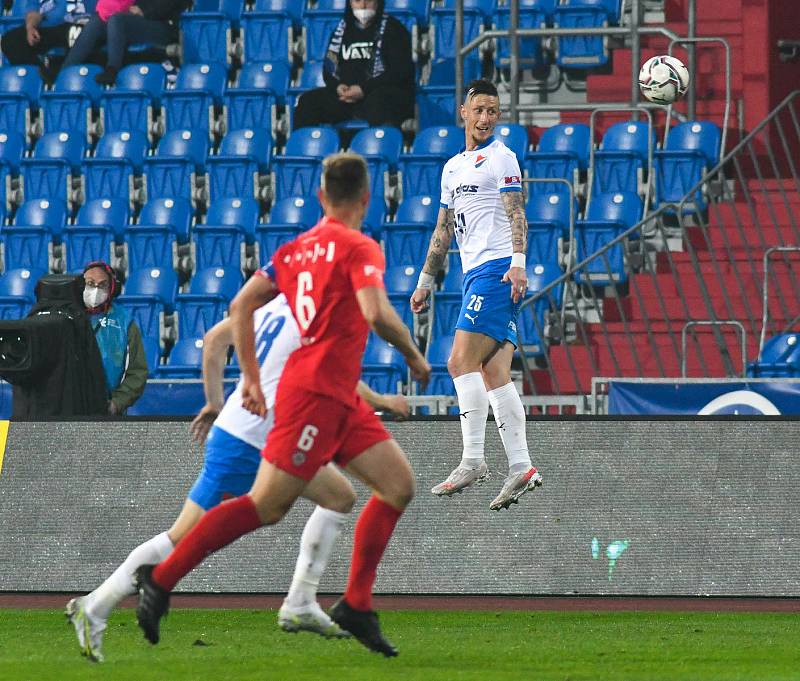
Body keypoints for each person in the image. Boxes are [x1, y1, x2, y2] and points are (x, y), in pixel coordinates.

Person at [134, 152, 430, 657]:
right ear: (366, 198)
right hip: (312, 397)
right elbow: (376, 312)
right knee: (265, 506)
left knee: (397, 485)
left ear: (321, 197)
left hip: (339, 397)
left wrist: (248, 375)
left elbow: (240, 305)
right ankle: (160, 579)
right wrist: (414, 357)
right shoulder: (359, 246)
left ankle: (357, 604)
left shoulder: (294, 251)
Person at [65, 293, 410, 662]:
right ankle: (95, 607)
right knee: (180, 536)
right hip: (246, 441)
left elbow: (214, 340)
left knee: (339, 495)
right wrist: (385, 401)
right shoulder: (311, 320)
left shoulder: (271, 309)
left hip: (270, 434)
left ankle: (301, 600)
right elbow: (337, 379)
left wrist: (214, 401)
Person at [409, 79, 544, 511]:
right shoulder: (452, 168)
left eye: (493, 111)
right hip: (473, 274)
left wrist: (518, 264)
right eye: (479, 110)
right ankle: (521, 465)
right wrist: (425, 281)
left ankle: (473, 460)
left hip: (497, 270)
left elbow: (516, 212)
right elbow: (443, 229)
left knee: (458, 361)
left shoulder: (502, 158)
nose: (485, 118)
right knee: (492, 373)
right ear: (463, 112)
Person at [293, 0, 415, 131]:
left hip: (379, 95)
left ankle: (379, 146)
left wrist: (364, 89)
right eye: (357, 1)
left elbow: (400, 72)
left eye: (368, 1)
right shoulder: (341, 31)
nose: (363, 6)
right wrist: (338, 87)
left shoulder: (395, 30)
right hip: (346, 98)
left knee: (380, 101)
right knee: (308, 101)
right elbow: (329, 69)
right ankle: (306, 149)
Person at [60, 0, 188, 85]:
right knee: (96, 21)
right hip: (135, 22)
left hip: (165, 25)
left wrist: (143, 10)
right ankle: (63, 76)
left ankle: (112, 69)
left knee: (117, 19)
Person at [83, 261, 147, 415]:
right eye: (90, 284)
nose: (96, 290)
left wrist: (116, 404)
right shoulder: (66, 317)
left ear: (112, 289)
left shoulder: (124, 323)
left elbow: (137, 372)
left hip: (107, 413)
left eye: (102, 285)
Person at [0, 0, 92, 82]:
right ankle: (42, 77)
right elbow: (34, 11)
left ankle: (62, 76)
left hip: (79, 26)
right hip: (50, 27)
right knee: (11, 40)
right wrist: (31, 27)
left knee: (75, 33)